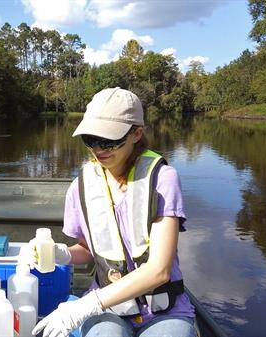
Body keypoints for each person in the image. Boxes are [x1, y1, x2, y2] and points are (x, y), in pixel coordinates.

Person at [30, 88, 196, 337]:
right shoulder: (81, 186)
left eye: (109, 140)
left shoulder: (163, 179)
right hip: (110, 309)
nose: (99, 149)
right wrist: (61, 254)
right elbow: (88, 250)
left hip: (164, 310)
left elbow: (159, 270)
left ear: (136, 134)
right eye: (91, 140)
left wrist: (88, 304)